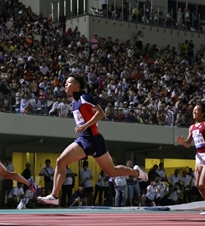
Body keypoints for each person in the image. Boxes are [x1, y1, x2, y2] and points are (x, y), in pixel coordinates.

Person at [38, 74, 148, 206]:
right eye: (66, 83)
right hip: (83, 140)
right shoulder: (74, 102)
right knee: (60, 161)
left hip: (94, 140)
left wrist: (85, 125)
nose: (65, 85)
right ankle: (54, 196)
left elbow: (101, 113)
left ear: (77, 85)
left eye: (69, 82)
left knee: (112, 172)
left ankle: (136, 172)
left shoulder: (85, 97)